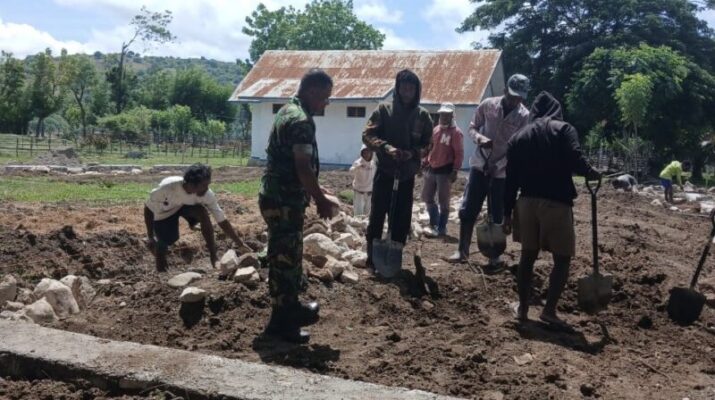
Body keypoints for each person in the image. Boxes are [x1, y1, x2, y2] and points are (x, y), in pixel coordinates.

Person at [503, 91, 601, 330]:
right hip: (556, 204)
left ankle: (523, 308)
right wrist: (590, 172)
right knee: (562, 258)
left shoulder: (518, 137)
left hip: (526, 203)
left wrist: (506, 213)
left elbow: (510, 181)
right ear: (557, 110)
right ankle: (549, 311)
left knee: (527, 256)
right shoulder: (564, 129)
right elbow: (575, 158)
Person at [258, 68, 339, 343]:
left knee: (285, 256)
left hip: (277, 196)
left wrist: (317, 188)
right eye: (325, 97)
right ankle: (283, 323)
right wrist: (321, 200)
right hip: (284, 201)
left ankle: (287, 311)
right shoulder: (301, 121)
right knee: (285, 260)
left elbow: (294, 166)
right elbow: (302, 167)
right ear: (312, 91)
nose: (326, 104)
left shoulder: (287, 110)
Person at [447, 74, 530, 270]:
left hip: (501, 173)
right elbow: (472, 127)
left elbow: (518, 147)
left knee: (497, 213)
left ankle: (494, 255)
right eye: (512, 96)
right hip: (479, 166)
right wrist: (479, 139)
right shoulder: (488, 105)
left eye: (519, 98)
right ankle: (462, 251)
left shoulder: (524, 116)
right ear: (505, 91)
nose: (515, 101)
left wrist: (498, 165)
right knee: (469, 209)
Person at [363, 69, 433, 272]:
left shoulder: (423, 116)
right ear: (398, 88)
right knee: (377, 214)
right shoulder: (384, 110)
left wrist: (413, 153)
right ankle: (371, 258)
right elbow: (367, 135)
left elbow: (428, 144)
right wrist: (387, 148)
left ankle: (394, 258)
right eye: (404, 88)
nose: (407, 93)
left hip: (406, 175)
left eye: (411, 89)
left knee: (402, 218)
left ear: (416, 91)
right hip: (385, 171)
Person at [144, 163, 249, 272]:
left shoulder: (207, 194)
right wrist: (150, 236)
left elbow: (221, 219)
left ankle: (213, 257)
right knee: (166, 241)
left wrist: (240, 244)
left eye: (208, 185)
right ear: (191, 184)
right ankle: (162, 271)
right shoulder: (167, 188)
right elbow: (148, 208)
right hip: (165, 213)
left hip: (186, 208)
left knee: (202, 212)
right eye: (203, 185)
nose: (207, 189)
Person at [421, 102, 464, 237]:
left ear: (452, 116)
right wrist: (424, 161)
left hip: (445, 170)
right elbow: (430, 148)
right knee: (427, 197)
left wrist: (455, 170)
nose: (444, 117)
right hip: (431, 168)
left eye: (447, 115)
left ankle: (441, 227)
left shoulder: (456, 133)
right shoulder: (436, 130)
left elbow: (459, 153)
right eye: (442, 114)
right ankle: (434, 222)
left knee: (443, 201)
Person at [350, 145, 376, 217]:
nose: (367, 154)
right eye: (365, 152)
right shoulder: (358, 162)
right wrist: (357, 167)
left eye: (368, 152)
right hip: (359, 192)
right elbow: (351, 171)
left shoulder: (373, 164)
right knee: (358, 214)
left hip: (370, 193)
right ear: (362, 153)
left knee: (368, 215)